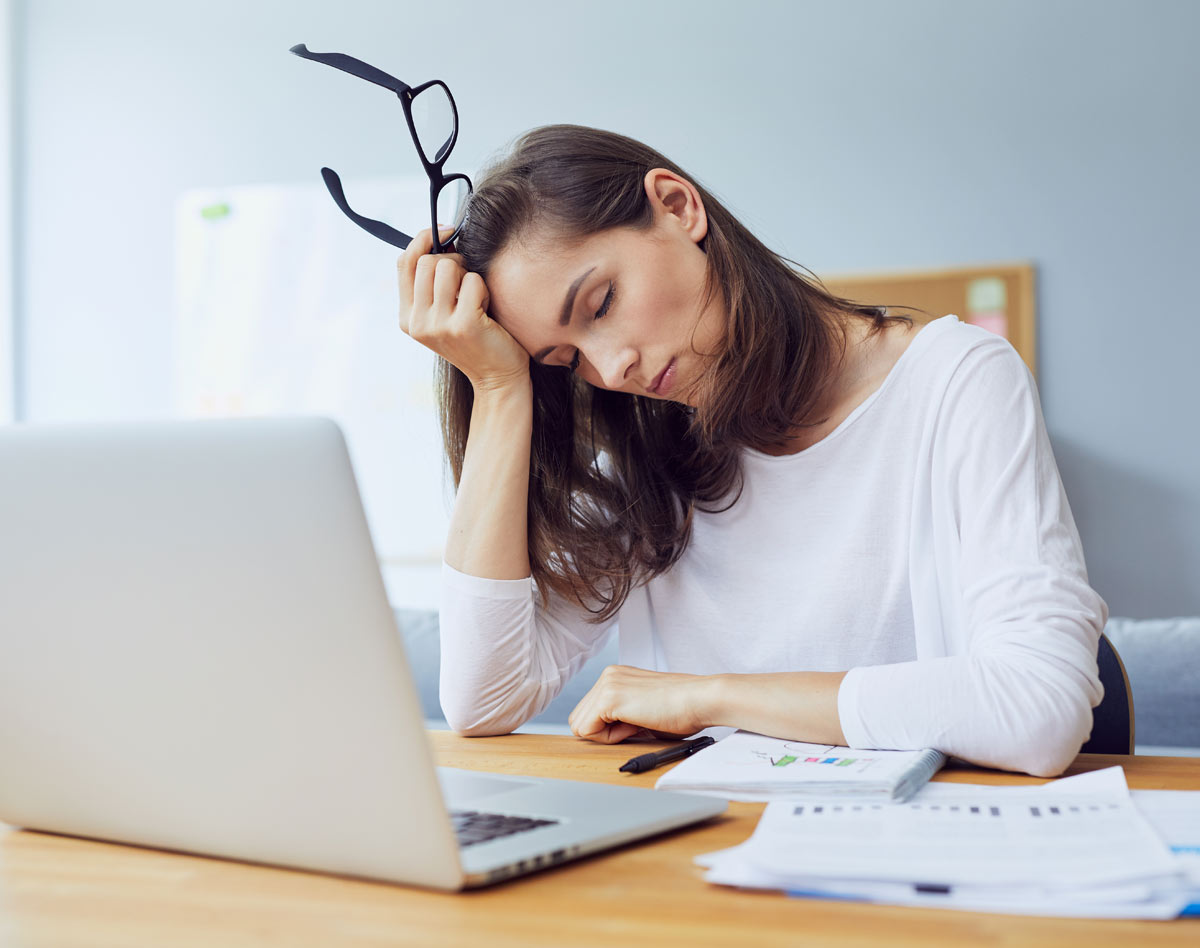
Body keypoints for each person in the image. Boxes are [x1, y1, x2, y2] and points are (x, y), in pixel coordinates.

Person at [395, 124, 1107, 778]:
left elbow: (1039, 708)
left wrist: (707, 699)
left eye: (603, 303)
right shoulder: (644, 449)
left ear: (677, 207)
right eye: (564, 359)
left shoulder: (957, 379)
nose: (611, 369)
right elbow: (483, 701)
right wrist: (498, 387)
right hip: (700, 866)